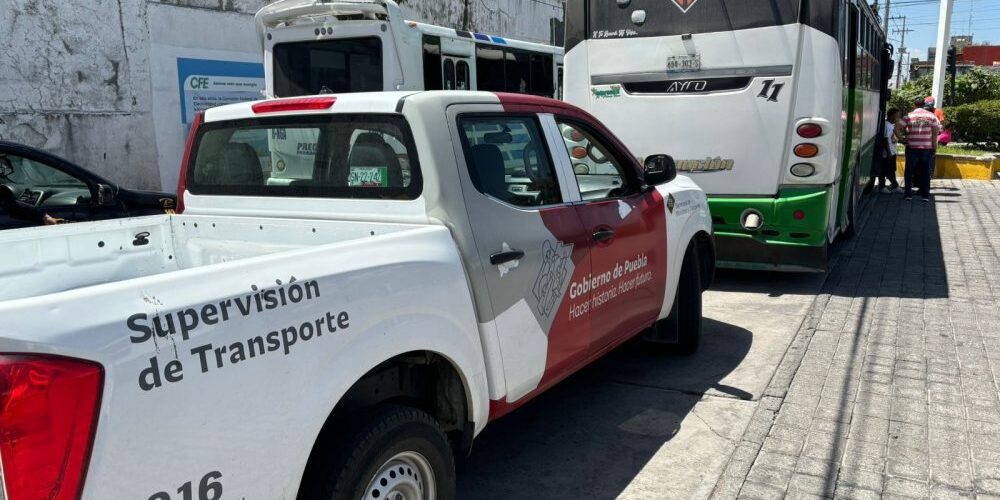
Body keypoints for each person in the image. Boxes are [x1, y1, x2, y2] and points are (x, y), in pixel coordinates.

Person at [898, 96, 941, 202]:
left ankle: (908, 194)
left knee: (909, 170)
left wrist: (902, 139)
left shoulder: (909, 116)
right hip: (926, 148)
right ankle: (925, 196)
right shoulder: (931, 116)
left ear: (914, 105)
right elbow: (935, 134)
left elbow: (896, 128)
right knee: (925, 171)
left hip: (911, 147)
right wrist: (934, 147)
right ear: (924, 104)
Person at [878, 108, 902, 193]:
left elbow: (891, 138)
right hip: (888, 153)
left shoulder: (890, 125)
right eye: (897, 116)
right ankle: (884, 186)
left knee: (890, 169)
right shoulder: (887, 125)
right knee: (886, 170)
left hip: (892, 151)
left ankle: (892, 186)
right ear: (892, 116)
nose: (898, 118)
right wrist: (888, 152)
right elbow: (885, 139)